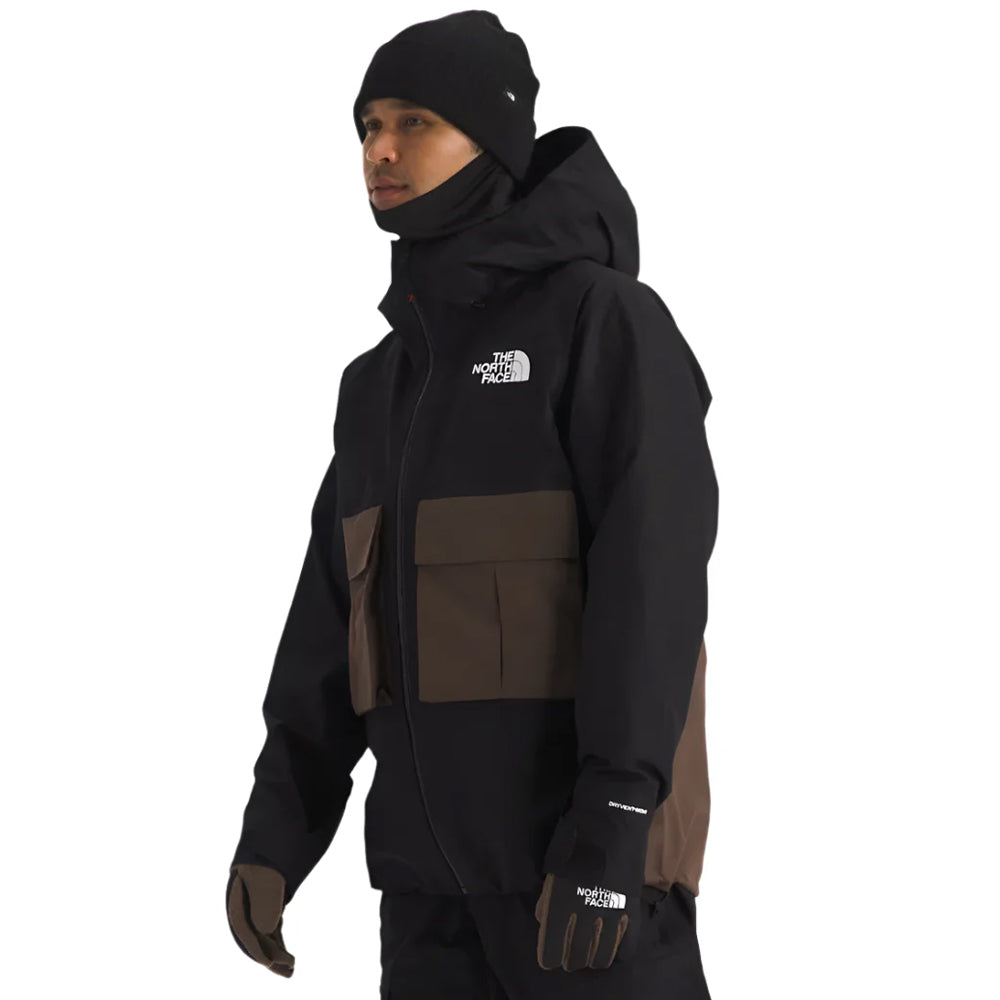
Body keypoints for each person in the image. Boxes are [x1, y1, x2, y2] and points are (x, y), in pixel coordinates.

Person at [226, 10, 718, 999]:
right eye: (368, 126)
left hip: (582, 882)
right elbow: (330, 622)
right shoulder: (381, 383)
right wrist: (278, 831)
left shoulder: (602, 324)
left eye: (414, 122)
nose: (380, 150)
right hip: (428, 907)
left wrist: (615, 817)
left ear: (492, 139)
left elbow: (652, 585)